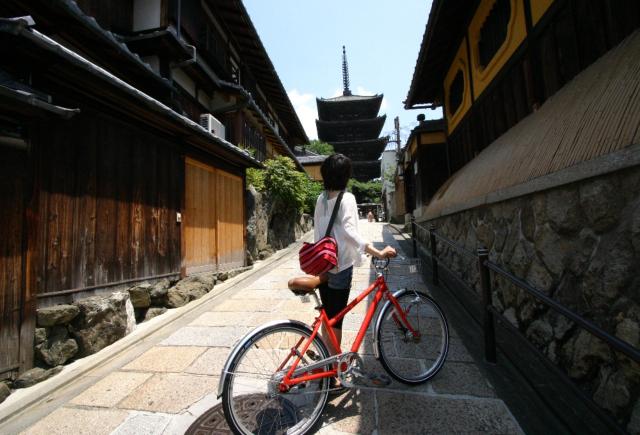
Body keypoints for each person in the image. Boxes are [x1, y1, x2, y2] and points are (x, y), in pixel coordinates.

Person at [311, 153, 396, 358]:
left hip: (323, 264)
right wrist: (378, 251)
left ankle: (327, 360)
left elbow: (317, 232)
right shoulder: (347, 198)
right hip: (339, 266)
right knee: (336, 319)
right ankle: (333, 367)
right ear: (345, 175)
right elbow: (350, 233)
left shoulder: (320, 199)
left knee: (329, 317)